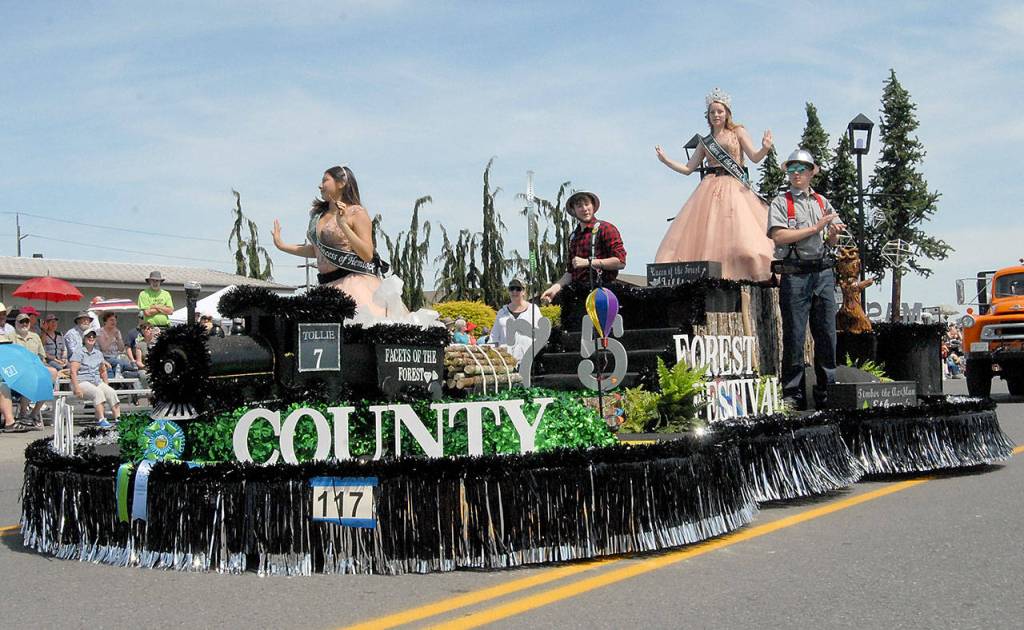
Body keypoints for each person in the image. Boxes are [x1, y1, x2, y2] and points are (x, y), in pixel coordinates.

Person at [653, 87, 775, 281]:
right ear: (707, 116)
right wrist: (666, 160)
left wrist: (765, 148)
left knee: (744, 238)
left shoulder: (738, 132)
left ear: (727, 113)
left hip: (735, 187)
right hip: (709, 188)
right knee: (709, 237)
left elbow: (754, 157)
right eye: (712, 112)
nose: (716, 115)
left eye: (720, 111)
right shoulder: (705, 142)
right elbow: (688, 168)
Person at [767, 148, 844, 409]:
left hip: (823, 273)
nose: (796, 174)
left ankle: (827, 390)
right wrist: (817, 227)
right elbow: (779, 236)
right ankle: (792, 393)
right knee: (795, 335)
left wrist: (833, 233)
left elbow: (831, 240)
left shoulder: (822, 202)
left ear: (812, 173)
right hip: (795, 273)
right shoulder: (781, 202)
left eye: (801, 169)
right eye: (791, 169)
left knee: (826, 334)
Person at [272, 165, 389, 318]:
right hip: (325, 288)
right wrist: (282, 245)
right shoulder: (318, 216)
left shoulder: (356, 212)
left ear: (341, 183)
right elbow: (317, 251)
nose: (320, 185)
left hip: (353, 284)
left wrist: (343, 226)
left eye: (325, 180)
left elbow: (367, 254)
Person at [540, 191, 626, 304]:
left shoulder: (606, 229)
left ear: (593, 206)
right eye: (579, 206)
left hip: (603, 294)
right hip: (579, 295)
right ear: (573, 210)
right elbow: (570, 272)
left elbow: (620, 262)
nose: (584, 208)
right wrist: (554, 288)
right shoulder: (573, 237)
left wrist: (588, 262)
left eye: (587, 204)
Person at [11, 313, 58, 425]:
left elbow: (42, 357)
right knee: (30, 377)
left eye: (26, 321)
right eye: (21, 321)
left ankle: (34, 413)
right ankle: (23, 414)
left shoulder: (35, 336)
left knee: (53, 373)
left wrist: (44, 367)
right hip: (17, 373)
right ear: (16, 323)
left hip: (35, 369)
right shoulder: (10, 336)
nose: (24, 324)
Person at [70, 329, 121, 427]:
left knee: (111, 392)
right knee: (98, 392)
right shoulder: (79, 352)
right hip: (82, 381)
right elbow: (73, 371)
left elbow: (103, 370)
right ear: (84, 339)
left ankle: (118, 418)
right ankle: (101, 418)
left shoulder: (98, 353)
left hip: (96, 381)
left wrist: (106, 384)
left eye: (93, 336)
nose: (91, 338)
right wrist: (76, 388)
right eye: (89, 336)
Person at [491, 277, 544, 360]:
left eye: (518, 289)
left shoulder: (533, 309)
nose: (514, 292)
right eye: (511, 289)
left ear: (523, 292)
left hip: (529, 360)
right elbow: (493, 337)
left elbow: (541, 334)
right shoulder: (501, 312)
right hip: (506, 360)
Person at [97, 312, 140, 377]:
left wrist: (119, 338)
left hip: (116, 357)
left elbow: (121, 349)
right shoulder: (100, 332)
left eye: (115, 320)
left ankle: (124, 375)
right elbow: (104, 348)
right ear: (105, 321)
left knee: (123, 365)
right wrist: (112, 336)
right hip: (105, 358)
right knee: (124, 364)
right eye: (111, 320)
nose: (114, 322)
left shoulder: (117, 331)